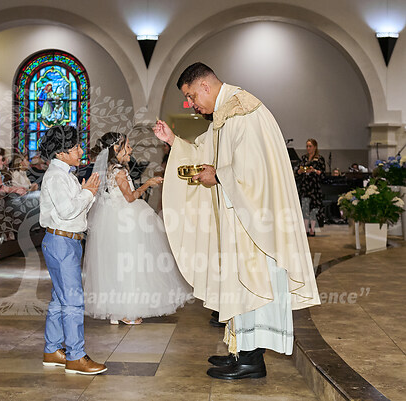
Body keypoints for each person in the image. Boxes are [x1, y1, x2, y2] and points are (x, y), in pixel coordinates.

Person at [153, 62, 320, 380]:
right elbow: (207, 150)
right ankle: (241, 350)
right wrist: (174, 140)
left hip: (254, 224)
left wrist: (219, 175)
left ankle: (252, 360)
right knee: (237, 284)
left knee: (251, 284)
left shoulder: (243, 110)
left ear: (204, 86)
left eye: (191, 96)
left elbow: (255, 168)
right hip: (239, 219)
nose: (190, 104)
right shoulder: (225, 114)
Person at [83, 132, 192, 325]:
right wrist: (148, 183)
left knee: (117, 265)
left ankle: (116, 311)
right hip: (126, 220)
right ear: (116, 149)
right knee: (132, 264)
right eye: (127, 146)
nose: (131, 149)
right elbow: (130, 197)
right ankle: (127, 311)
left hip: (113, 218)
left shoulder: (110, 168)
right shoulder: (119, 170)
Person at [39, 124, 106, 375]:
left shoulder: (65, 174)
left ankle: (52, 350)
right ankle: (76, 355)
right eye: (76, 147)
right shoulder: (56, 176)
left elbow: (76, 212)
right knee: (73, 301)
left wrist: (88, 193)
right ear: (61, 152)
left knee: (60, 299)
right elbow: (68, 211)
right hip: (61, 242)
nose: (81, 151)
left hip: (68, 240)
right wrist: (87, 193)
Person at [296, 139, 326, 236]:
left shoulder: (320, 159)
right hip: (305, 186)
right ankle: (305, 230)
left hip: (314, 187)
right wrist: (300, 171)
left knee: (314, 208)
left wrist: (314, 170)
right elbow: (297, 171)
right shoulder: (303, 158)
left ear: (315, 147)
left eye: (310, 146)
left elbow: (322, 174)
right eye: (307, 146)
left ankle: (312, 229)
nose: (308, 148)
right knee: (305, 208)